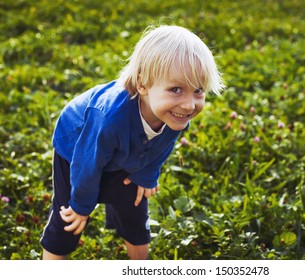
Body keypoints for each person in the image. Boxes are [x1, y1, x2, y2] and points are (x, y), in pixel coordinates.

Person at [40, 25, 225, 260]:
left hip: (126, 150)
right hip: (77, 148)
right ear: (142, 84)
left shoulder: (176, 115)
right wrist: (81, 206)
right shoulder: (109, 118)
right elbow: (87, 163)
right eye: (176, 89)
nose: (189, 105)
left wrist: (147, 174)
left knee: (135, 208)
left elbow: (161, 147)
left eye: (198, 90)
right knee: (69, 221)